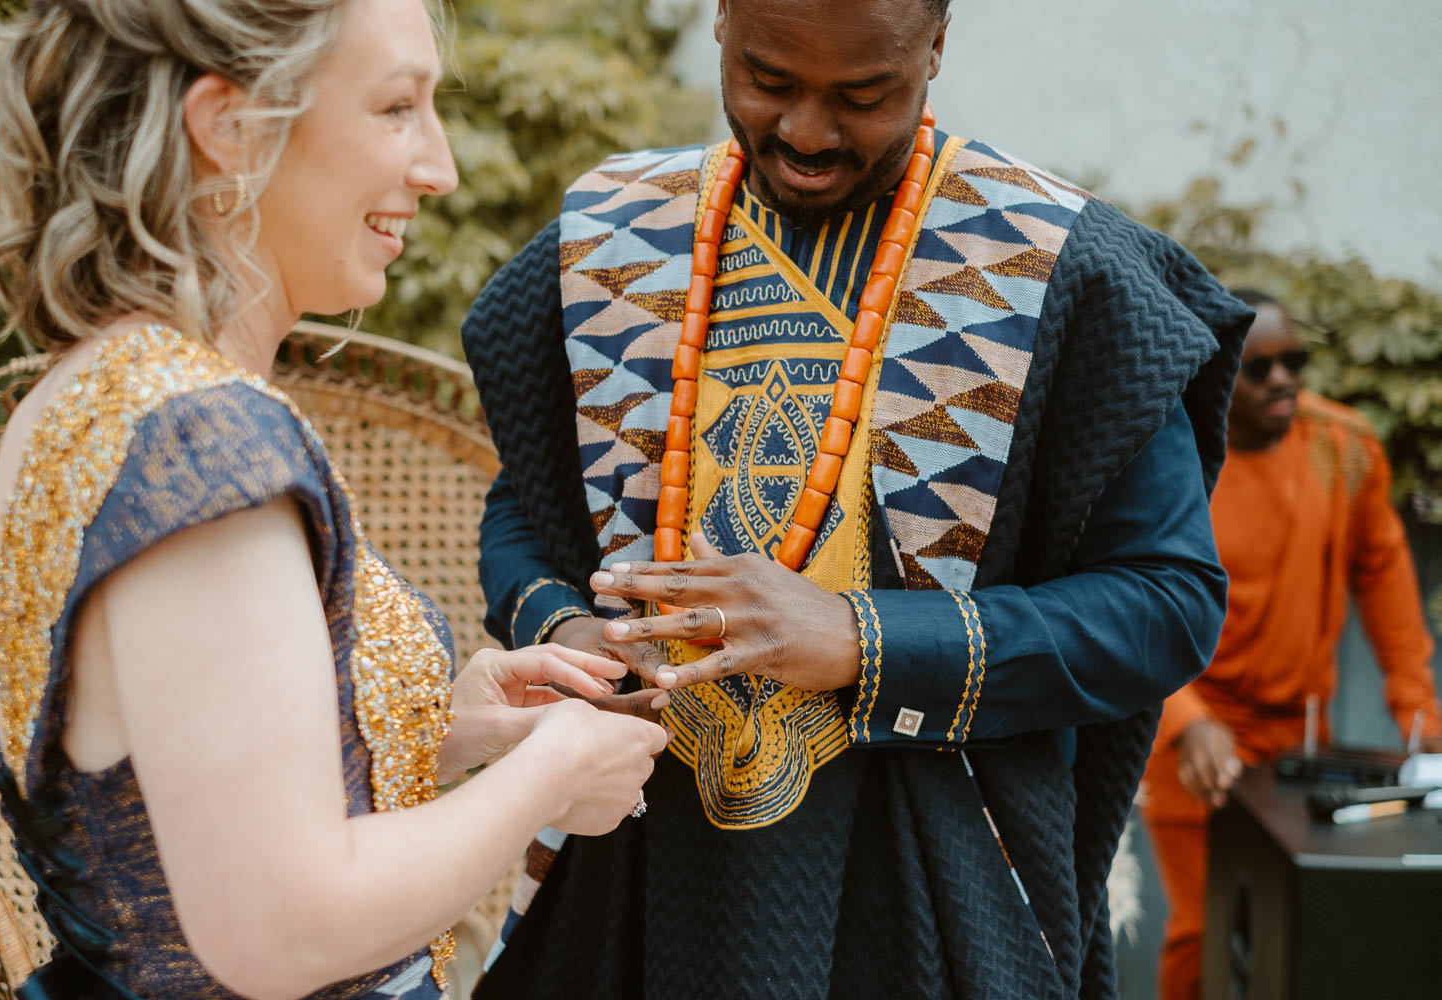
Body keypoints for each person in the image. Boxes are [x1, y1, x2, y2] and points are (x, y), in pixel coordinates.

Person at [460, 0, 1253, 996]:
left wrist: (861, 637)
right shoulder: (615, 243)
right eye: (768, 80)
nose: (804, 134)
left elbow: (1167, 605)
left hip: (929, 891)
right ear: (719, 22)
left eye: (863, 95)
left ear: (937, 43)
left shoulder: (1056, 267)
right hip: (632, 870)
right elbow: (529, 507)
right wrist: (567, 628)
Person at [0, 1, 667, 997]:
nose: (439, 167)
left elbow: (170, 782)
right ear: (232, 128)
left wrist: (438, 729)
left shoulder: (85, 393)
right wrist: (552, 771)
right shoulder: (201, 444)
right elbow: (279, 926)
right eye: (395, 108)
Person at [1139, 289, 1442, 1000]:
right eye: (1260, 367)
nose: (1284, 380)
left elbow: (1387, 583)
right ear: (1214, 375)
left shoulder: (1345, 448)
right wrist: (1188, 723)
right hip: (1195, 740)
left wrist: (1417, 712)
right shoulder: (1164, 457)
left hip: (1301, 741)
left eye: (1295, 362)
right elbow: (1135, 607)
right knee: (1202, 929)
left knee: (1304, 926)